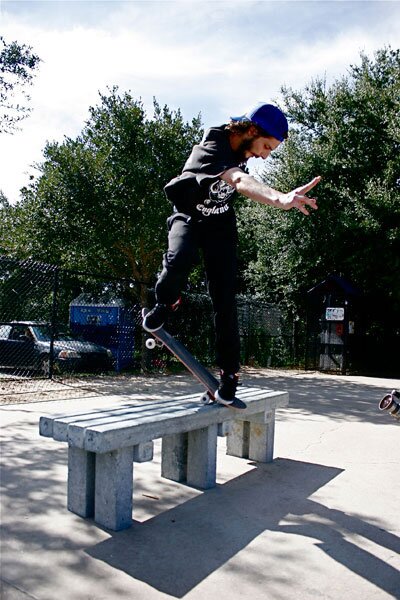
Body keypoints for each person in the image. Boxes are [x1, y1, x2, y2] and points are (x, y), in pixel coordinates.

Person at [143, 102, 321, 406]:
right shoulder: (213, 146)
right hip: (189, 217)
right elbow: (240, 181)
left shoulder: (243, 147)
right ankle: (167, 300)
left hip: (220, 227)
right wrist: (280, 198)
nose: (265, 154)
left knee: (225, 300)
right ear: (251, 130)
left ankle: (229, 374)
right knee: (178, 260)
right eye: (265, 146)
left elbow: (243, 166)